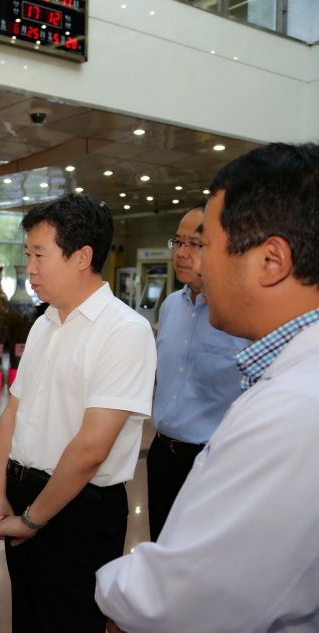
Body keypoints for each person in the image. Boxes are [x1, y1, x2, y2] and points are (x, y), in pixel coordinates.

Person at [96, 143, 319, 632]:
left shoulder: (293, 406)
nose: (194, 261)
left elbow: (190, 595)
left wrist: (115, 597)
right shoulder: (288, 377)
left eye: (208, 246)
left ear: (271, 260)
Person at [0, 194, 156, 633]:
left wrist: (32, 519)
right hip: (23, 490)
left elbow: (91, 448)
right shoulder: (45, 323)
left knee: (71, 620)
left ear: (82, 257)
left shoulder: (125, 331)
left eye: (39, 255)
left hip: (81, 509)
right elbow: (13, 412)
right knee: (28, 617)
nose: (30, 268)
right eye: (27, 255)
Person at [147, 206, 248, 540]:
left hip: (213, 462)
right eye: (178, 242)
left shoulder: (239, 314)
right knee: (161, 546)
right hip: (162, 455)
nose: (181, 253)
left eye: (195, 244)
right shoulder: (170, 306)